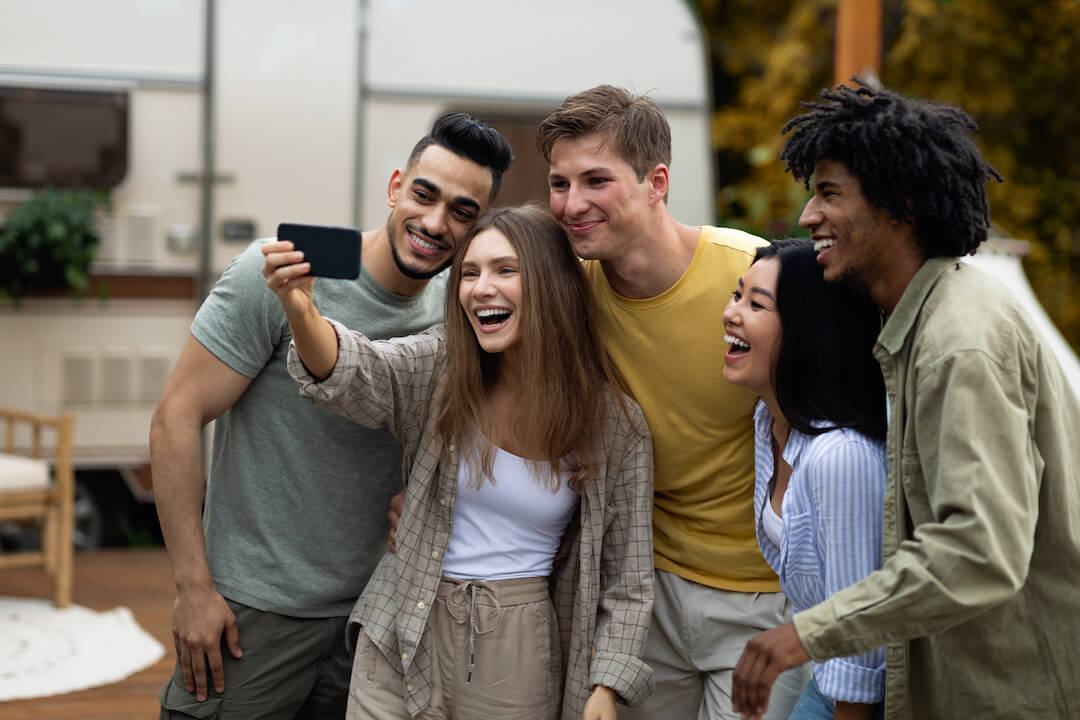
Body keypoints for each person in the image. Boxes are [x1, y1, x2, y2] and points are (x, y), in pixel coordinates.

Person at [731, 80, 1080, 720]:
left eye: (829, 194)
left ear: (903, 207)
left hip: (1020, 691)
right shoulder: (922, 323)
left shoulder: (959, 340)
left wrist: (811, 632)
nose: (808, 217)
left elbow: (979, 550)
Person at [150, 112, 512, 719]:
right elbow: (175, 420)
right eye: (424, 195)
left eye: (462, 211)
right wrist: (193, 588)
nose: (435, 222)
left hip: (373, 621)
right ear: (396, 186)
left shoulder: (460, 311)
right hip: (252, 617)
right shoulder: (279, 274)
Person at [263, 204, 655, 720]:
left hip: (516, 646)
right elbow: (361, 372)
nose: (480, 288)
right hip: (404, 617)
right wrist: (301, 310)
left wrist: (609, 685)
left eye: (504, 270)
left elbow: (629, 575)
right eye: (469, 273)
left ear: (552, 284)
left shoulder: (614, 424)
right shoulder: (443, 366)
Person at [535, 85, 810, 719]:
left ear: (656, 182)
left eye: (596, 180)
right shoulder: (568, 292)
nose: (572, 204)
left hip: (762, 599)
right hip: (641, 597)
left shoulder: (749, 281)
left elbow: (833, 423)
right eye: (559, 183)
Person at [722, 238, 887, 720]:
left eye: (756, 304)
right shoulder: (767, 421)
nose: (731, 313)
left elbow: (864, 641)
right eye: (736, 295)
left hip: (865, 696)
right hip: (827, 673)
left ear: (804, 331)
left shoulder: (840, 458)